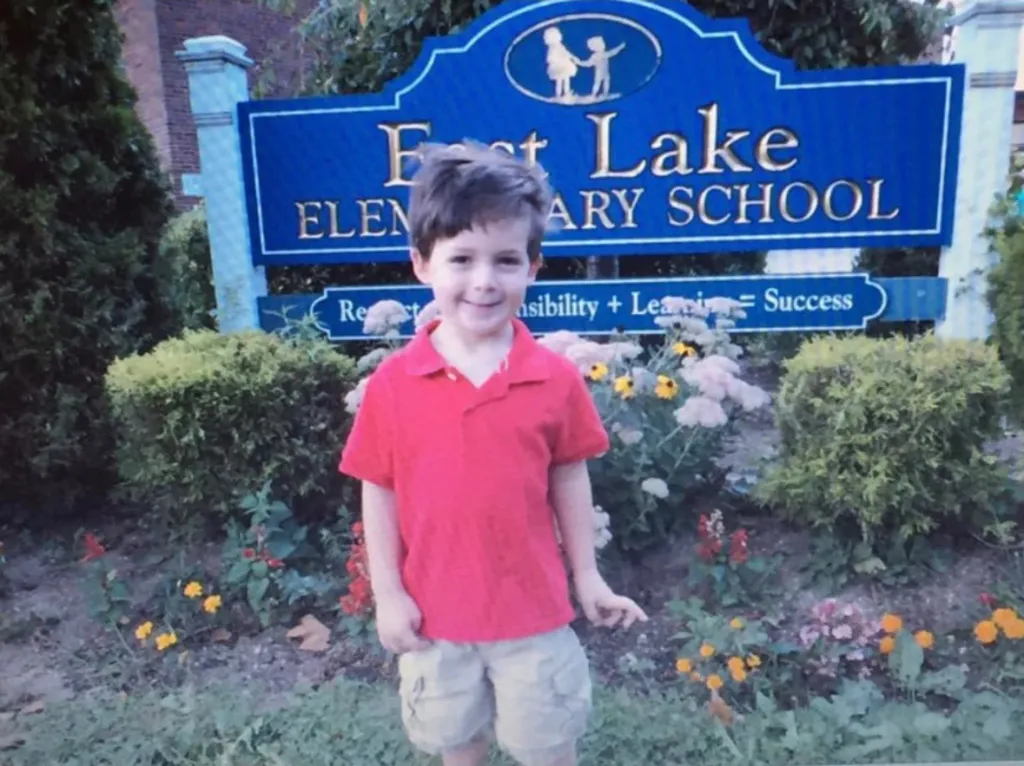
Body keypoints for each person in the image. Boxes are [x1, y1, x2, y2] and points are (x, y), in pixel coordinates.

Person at [338, 141, 648, 766]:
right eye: (462, 259)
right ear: (422, 263)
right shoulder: (395, 385)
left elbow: (570, 478)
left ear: (533, 267)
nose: (484, 281)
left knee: (547, 747)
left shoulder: (554, 378)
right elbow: (379, 488)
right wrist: (389, 593)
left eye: (506, 260)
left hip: (534, 617)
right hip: (436, 621)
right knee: (458, 746)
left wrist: (587, 575)